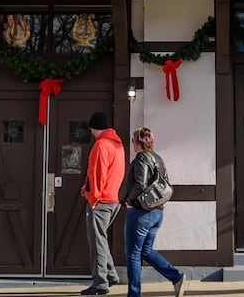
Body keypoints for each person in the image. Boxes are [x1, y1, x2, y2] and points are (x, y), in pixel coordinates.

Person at [119, 127, 189, 297]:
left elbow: (140, 184)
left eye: (133, 140)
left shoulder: (142, 157)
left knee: (133, 254)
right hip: (157, 212)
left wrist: (129, 201)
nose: (133, 144)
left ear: (138, 141)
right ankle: (176, 278)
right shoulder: (158, 158)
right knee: (146, 251)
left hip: (140, 212)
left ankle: (134, 295)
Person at [81, 112, 125, 296]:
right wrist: (89, 187)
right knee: (101, 238)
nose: (90, 132)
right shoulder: (117, 144)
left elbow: (98, 175)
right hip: (113, 198)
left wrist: (92, 196)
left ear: (93, 127)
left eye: (90, 128)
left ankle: (100, 282)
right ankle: (112, 275)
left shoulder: (101, 145)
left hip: (101, 200)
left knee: (97, 242)